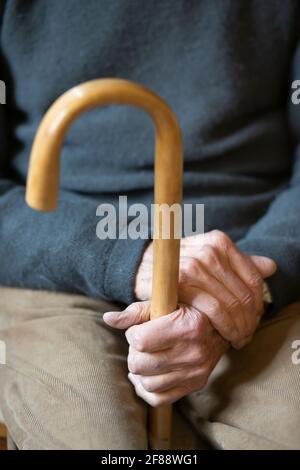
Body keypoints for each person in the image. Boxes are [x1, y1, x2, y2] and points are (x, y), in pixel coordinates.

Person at [0, 0, 300, 450]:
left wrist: (244, 287)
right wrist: (130, 254)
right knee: (89, 433)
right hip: (54, 261)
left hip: (256, 261)